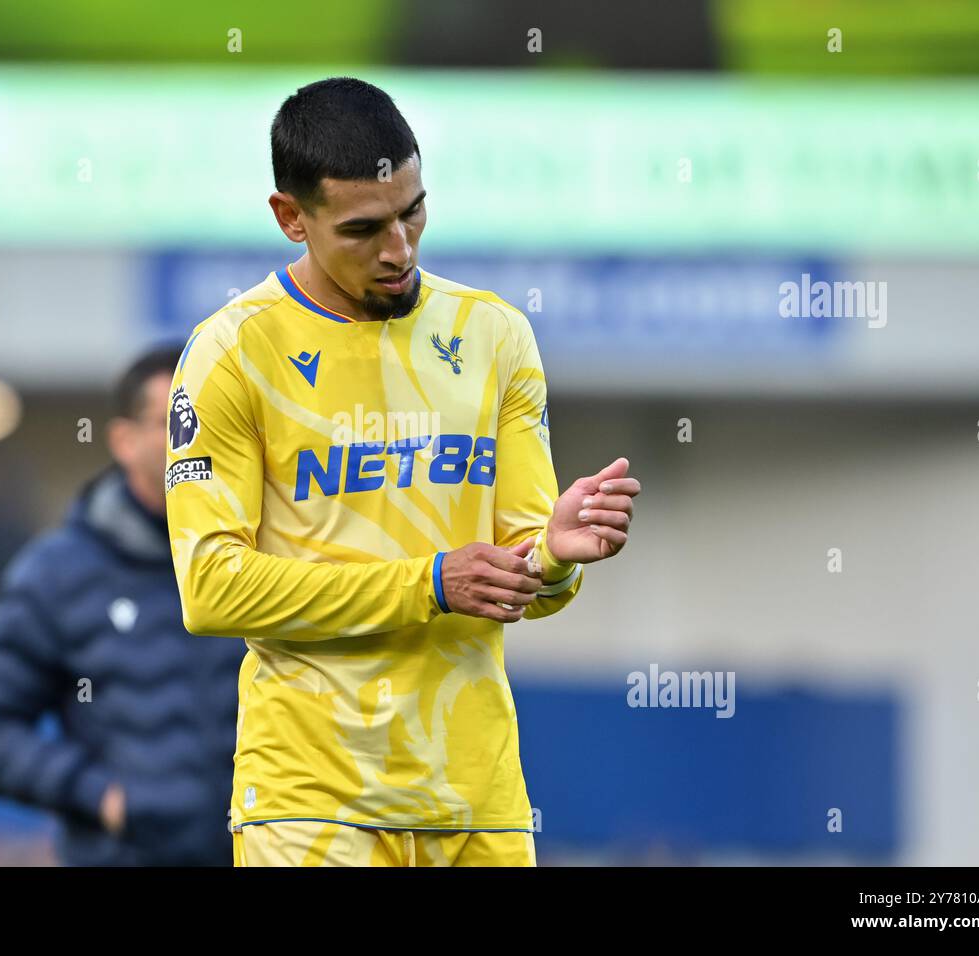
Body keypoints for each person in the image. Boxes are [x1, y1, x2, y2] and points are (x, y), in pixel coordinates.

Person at [165, 78, 641, 867]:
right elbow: (210, 589)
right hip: (310, 804)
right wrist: (428, 584)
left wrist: (554, 555)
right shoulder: (230, 353)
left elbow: (524, 579)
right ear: (291, 218)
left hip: (476, 800)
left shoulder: (495, 335)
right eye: (363, 228)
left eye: (412, 210)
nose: (400, 249)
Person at [0, 347, 244, 865]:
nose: (197, 438)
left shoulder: (271, 551)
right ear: (124, 441)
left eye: (215, 417)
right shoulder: (59, 573)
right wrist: (103, 799)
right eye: (175, 421)